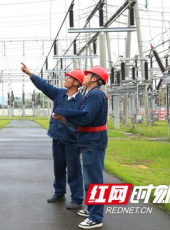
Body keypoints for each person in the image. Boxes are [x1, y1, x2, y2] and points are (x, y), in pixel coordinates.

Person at [21, 62, 84, 210]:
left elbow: (83, 122)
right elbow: (44, 86)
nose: (66, 78)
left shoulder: (82, 101)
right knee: (59, 167)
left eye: (69, 77)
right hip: (58, 138)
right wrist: (31, 74)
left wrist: (81, 142)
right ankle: (59, 192)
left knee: (74, 170)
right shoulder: (59, 94)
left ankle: (77, 198)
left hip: (72, 141)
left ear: (76, 82)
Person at [52, 65, 108, 229]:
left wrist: (65, 119)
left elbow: (86, 118)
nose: (84, 76)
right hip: (89, 141)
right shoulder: (91, 95)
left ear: (94, 79)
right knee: (89, 180)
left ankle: (96, 218)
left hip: (92, 142)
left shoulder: (95, 95)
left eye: (88, 74)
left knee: (94, 181)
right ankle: (92, 209)